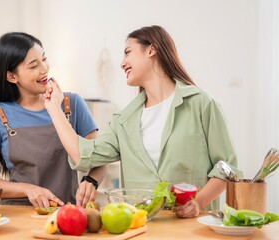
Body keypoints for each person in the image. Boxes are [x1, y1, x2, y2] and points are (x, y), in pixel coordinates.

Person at [44, 25, 243, 218]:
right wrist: (54, 108)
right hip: (143, 227)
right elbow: (81, 155)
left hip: (191, 228)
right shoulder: (124, 120)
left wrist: (198, 202)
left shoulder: (201, 103)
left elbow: (227, 167)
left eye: (127, 52)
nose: (122, 63)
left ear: (151, 50)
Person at [0, 32, 106, 208]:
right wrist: (28, 189)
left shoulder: (71, 104)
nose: (44, 69)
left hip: (67, 212)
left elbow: (100, 158)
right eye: (33, 65)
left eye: (44, 59)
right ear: (12, 76)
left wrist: (91, 180)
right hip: (17, 215)